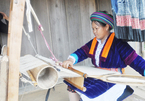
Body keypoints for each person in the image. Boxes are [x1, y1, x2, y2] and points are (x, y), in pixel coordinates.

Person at [62, 11, 145, 101]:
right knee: (72, 84)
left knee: (91, 94)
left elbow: (136, 60)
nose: (94, 31)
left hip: (113, 79)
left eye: (96, 28)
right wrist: (70, 60)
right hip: (96, 75)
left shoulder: (118, 43)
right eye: (93, 29)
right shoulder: (94, 42)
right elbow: (82, 52)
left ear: (106, 27)